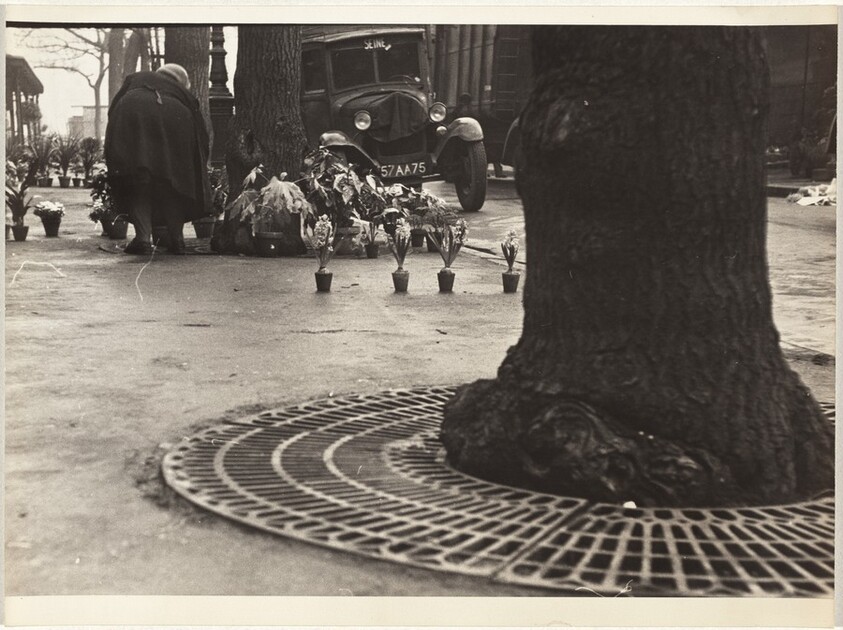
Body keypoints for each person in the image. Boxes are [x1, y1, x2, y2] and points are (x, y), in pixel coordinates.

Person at [105, 64, 211, 255]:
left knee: (138, 185)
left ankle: (143, 239)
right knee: (174, 185)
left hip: (132, 112)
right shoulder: (181, 97)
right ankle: (177, 240)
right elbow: (201, 137)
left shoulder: (134, 87)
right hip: (177, 116)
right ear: (181, 82)